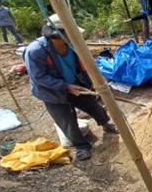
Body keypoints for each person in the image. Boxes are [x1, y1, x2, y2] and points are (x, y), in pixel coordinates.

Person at [23, 14, 119, 161]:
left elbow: (85, 64)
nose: (74, 35)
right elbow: (39, 77)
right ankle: (81, 145)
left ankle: (106, 124)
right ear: (57, 34)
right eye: (70, 32)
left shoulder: (73, 45)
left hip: (76, 84)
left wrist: (95, 80)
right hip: (53, 92)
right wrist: (65, 86)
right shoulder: (36, 51)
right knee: (66, 119)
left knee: (93, 106)